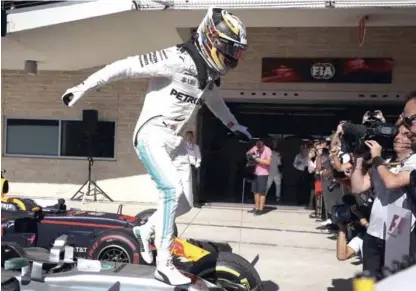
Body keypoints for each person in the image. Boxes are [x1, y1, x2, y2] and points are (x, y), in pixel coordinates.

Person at [60, 7, 251, 285]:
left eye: (237, 52)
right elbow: (126, 66)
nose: (232, 57)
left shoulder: (208, 73)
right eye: (229, 49)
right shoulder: (175, 58)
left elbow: (215, 102)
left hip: (175, 141)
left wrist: (237, 127)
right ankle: (164, 264)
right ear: (211, 38)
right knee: (170, 191)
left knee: (185, 203)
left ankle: (145, 230)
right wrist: (83, 86)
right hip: (151, 135)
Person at [350, 125, 416, 278]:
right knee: (368, 280)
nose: (397, 137)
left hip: (400, 227)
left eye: (405, 134)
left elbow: (392, 182)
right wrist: (359, 159)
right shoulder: (383, 162)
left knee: (392, 282)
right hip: (374, 229)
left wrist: (377, 158)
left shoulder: (413, 161)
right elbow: (357, 187)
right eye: (397, 133)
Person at [246, 140, 272, 215]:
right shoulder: (255, 148)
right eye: (258, 148)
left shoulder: (268, 150)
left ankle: (261, 209)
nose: (259, 150)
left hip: (263, 173)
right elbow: (248, 153)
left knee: (262, 192)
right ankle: (256, 208)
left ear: (263, 146)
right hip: (255, 172)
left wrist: (258, 160)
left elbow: (268, 162)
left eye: (260, 148)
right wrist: (251, 157)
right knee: (255, 191)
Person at [185, 130, 202, 207]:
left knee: (194, 184)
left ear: (192, 137)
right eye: (188, 136)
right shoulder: (183, 146)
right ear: (186, 137)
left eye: (191, 136)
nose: (189, 137)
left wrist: (197, 164)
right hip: (184, 166)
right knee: (184, 183)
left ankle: (196, 202)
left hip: (192, 166)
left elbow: (198, 157)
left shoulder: (196, 147)